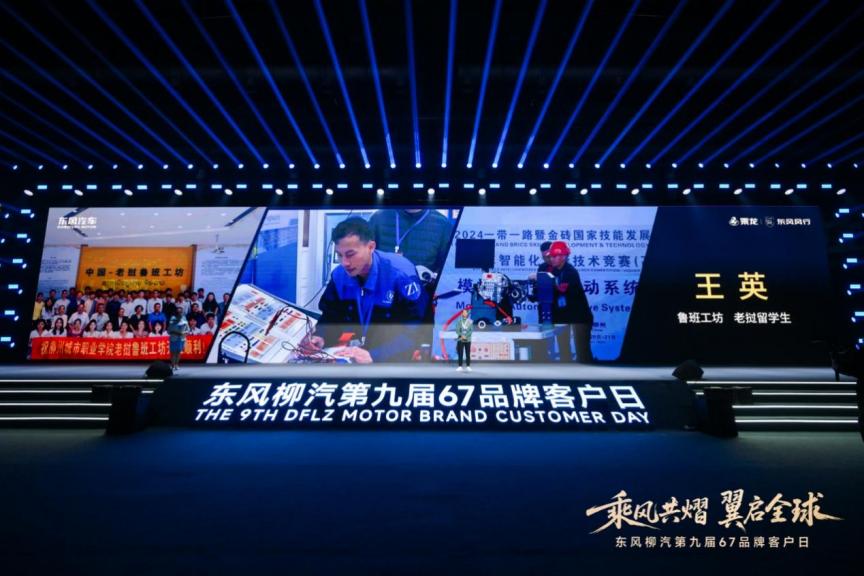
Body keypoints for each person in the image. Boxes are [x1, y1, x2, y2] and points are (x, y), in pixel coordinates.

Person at [299, 217, 427, 363]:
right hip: (356, 349)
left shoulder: (401, 275)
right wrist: (321, 336)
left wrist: (375, 355)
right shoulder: (339, 276)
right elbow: (330, 315)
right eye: (339, 255)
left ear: (371, 247)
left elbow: (416, 330)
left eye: (350, 254)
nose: (345, 263)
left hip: (391, 353)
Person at [546, 241, 593, 363]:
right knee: (564, 350)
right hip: (563, 316)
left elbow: (561, 289)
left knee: (582, 352)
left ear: (563, 257)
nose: (551, 259)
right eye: (551, 256)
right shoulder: (555, 271)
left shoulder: (570, 272)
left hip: (580, 317)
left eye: (554, 256)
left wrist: (545, 283)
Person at [368, 208, 453, 273]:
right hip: (383, 287)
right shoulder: (378, 218)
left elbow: (446, 270)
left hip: (424, 289)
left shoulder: (443, 225)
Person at [167, 306, 189, 372]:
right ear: (176, 311)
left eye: (180, 311)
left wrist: (185, 333)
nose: (179, 312)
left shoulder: (184, 318)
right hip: (173, 338)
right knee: (173, 352)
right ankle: (172, 365)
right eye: (178, 311)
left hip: (181, 338)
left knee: (178, 352)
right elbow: (170, 329)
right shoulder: (173, 318)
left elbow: (187, 328)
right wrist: (177, 332)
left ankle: (176, 365)